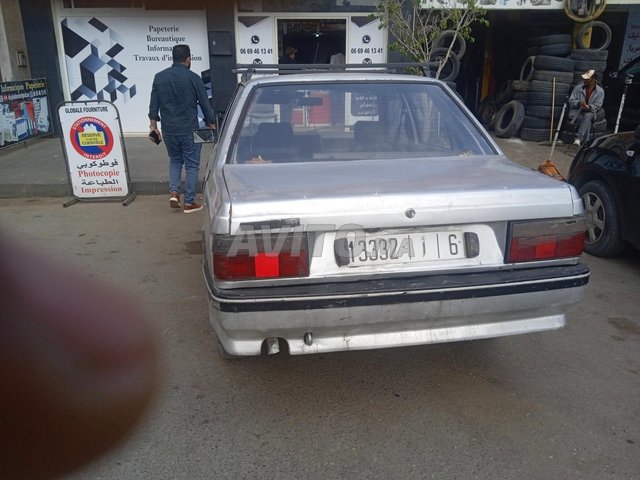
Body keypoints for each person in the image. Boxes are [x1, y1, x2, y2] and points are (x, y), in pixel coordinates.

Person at [148, 44, 215, 213]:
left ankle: (174, 192)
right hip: (189, 129)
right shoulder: (194, 78)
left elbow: (154, 104)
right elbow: (205, 104)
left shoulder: (159, 77)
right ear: (188, 59)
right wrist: (211, 124)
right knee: (192, 165)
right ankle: (189, 202)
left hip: (169, 129)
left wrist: (153, 126)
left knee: (175, 160)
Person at [568, 69, 605, 147]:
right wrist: (579, 103)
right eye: (584, 78)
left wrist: (589, 107)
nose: (584, 80)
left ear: (593, 79)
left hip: (591, 112)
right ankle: (586, 143)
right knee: (585, 121)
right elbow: (571, 101)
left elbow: (598, 106)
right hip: (577, 113)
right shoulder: (578, 88)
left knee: (587, 116)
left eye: (587, 79)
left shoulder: (600, 91)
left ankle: (578, 138)